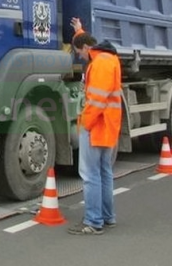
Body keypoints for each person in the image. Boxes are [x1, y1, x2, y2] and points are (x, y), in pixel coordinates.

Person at [67, 17, 123, 235]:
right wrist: (79, 31)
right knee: (104, 172)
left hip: (97, 125)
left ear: (87, 48)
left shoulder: (99, 64)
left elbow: (97, 101)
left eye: (80, 52)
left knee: (90, 175)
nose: (80, 57)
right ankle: (108, 217)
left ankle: (93, 221)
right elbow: (87, 42)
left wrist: (85, 125)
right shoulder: (108, 58)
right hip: (108, 125)